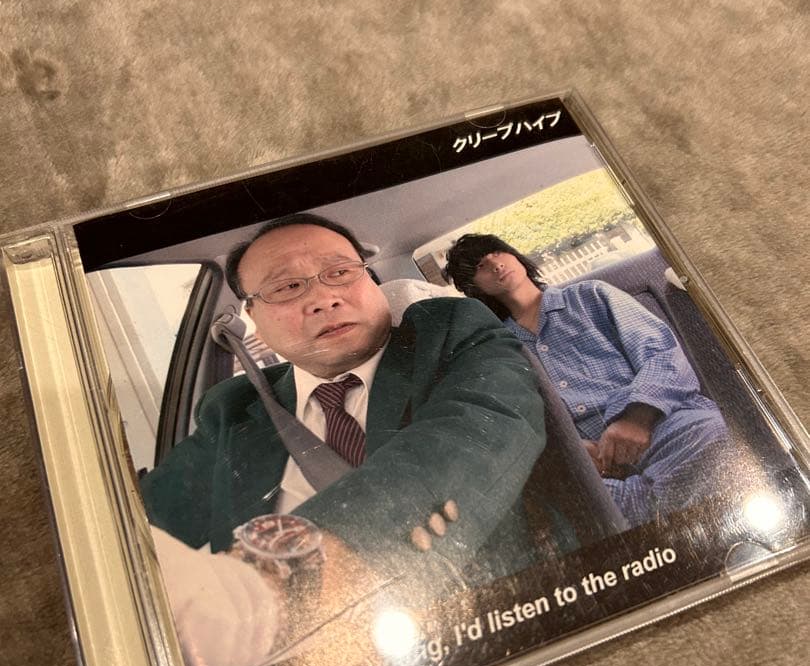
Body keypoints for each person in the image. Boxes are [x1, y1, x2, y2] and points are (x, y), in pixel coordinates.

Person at [141, 215, 551, 639]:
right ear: (253, 316)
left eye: (339, 273)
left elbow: (480, 427)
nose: (323, 299)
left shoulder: (449, 331)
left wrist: (281, 576)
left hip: (487, 621)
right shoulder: (233, 408)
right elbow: (139, 532)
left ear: (369, 279)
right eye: (287, 287)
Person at [444, 233, 729, 527]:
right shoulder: (499, 350)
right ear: (473, 287)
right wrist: (572, 449)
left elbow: (662, 354)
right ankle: (658, 507)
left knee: (710, 439)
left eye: (496, 252)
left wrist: (636, 418)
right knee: (556, 500)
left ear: (514, 255)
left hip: (664, 425)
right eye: (479, 265)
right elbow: (516, 423)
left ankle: (647, 508)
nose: (495, 263)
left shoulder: (591, 295)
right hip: (591, 466)